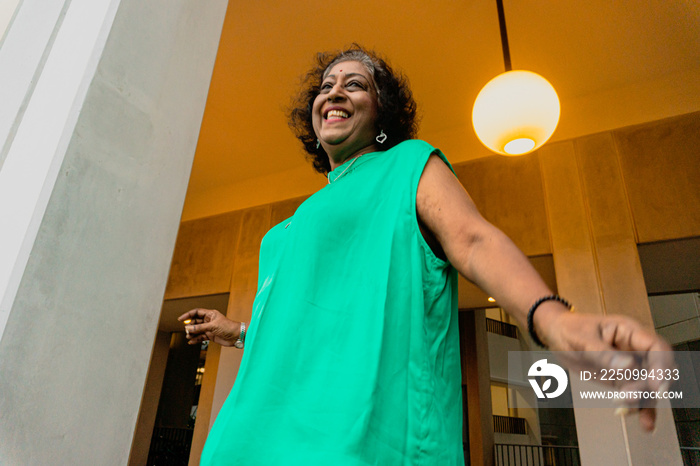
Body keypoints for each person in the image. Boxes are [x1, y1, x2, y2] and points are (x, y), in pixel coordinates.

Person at [179, 45, 673, 465]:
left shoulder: (408, 164)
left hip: (357, 444)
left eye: (355, 85)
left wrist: (554, 321)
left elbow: (473, 240)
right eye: (327, 85)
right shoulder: (286, 230)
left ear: (382, 113)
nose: (333, 92)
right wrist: (237, 332)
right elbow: (309, 325)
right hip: (245, 440)